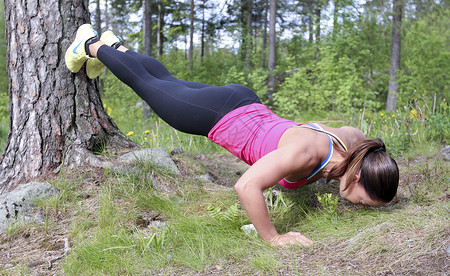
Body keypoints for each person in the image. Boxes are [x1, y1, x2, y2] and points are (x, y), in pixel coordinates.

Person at [65, 24, 399, 247]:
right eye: (365, 202)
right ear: (356, 177)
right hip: (213, 115)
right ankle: (92, 44)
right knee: (149, 85)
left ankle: (115, 46)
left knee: (165, 79)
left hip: (244, 101)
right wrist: (273, 238)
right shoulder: (307, 155)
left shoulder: (355, 141)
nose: (361, 207)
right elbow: (246, 185)